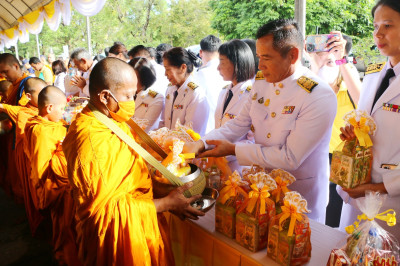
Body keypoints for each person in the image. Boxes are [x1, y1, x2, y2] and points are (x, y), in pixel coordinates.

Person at [185, 19, 337, 223]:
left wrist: (233, 150)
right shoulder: (262, 81)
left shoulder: (317, 94)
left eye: (266, 57)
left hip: (299, 197)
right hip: (261, 189)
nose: (260, 65)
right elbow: (239, 123)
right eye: (258, 57)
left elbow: (290, 157)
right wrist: (202, 143)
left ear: (292, 55)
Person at [63, 58, 203, 265]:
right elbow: (104, 211)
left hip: (140, 221)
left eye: (134, 94)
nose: (133, 100)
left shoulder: (111, 119)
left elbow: (131, 176)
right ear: (104, 96)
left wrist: (162, 191)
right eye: (128, 96)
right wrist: (164, 203)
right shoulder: (92, 139)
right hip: (119, 241)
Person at [338, 0, 400, 241]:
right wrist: (354, 136)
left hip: (392, 202)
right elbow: (369, 125)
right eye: (375, 26)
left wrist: (379, 188)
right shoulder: (375, 73)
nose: (378, 33)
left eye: (387, 25)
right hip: (357, 193)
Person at [24, 86, 80, 265]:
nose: (64, 113)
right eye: (62, 109)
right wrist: (64, 150)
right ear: (49, 109)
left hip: (64, 185)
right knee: (65, 231)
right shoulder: (40, 130)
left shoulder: (50, 124)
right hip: (56, 188)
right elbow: (41, 167)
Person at [0, 78, 45, 204]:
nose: (45, 97)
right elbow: (3, 106)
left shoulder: (45, 108)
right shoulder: (22, 111)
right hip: (27, 157)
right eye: (41, 95)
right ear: (29, 96)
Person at [159, 47, 210, 136]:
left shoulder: (196, 94)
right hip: (168, 145)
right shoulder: (170, 90)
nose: (165, 74)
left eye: (168, 69)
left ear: (183, 68)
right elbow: (164, 123)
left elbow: (191, 133)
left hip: (187, 147)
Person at [0, 53, 31, 197]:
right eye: (1, 73)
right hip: (13, 134)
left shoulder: (28, 84)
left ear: (16, 66)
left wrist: (3, 107)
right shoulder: (14, 86)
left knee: (24, 176)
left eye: (5, 71)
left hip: (24, 137)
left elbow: (29, 111)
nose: (3, 75)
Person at [194, 35, 229, 133]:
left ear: (201, 52)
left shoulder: (199, 73)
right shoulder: (229, 71)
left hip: (205, 129)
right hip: (226, 129)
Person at [129, 57, 164, 132]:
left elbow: (143, 128)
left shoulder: (155, 98)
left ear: (144, 78)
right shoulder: (123, 93)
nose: (129, 80)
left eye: (134, 77)